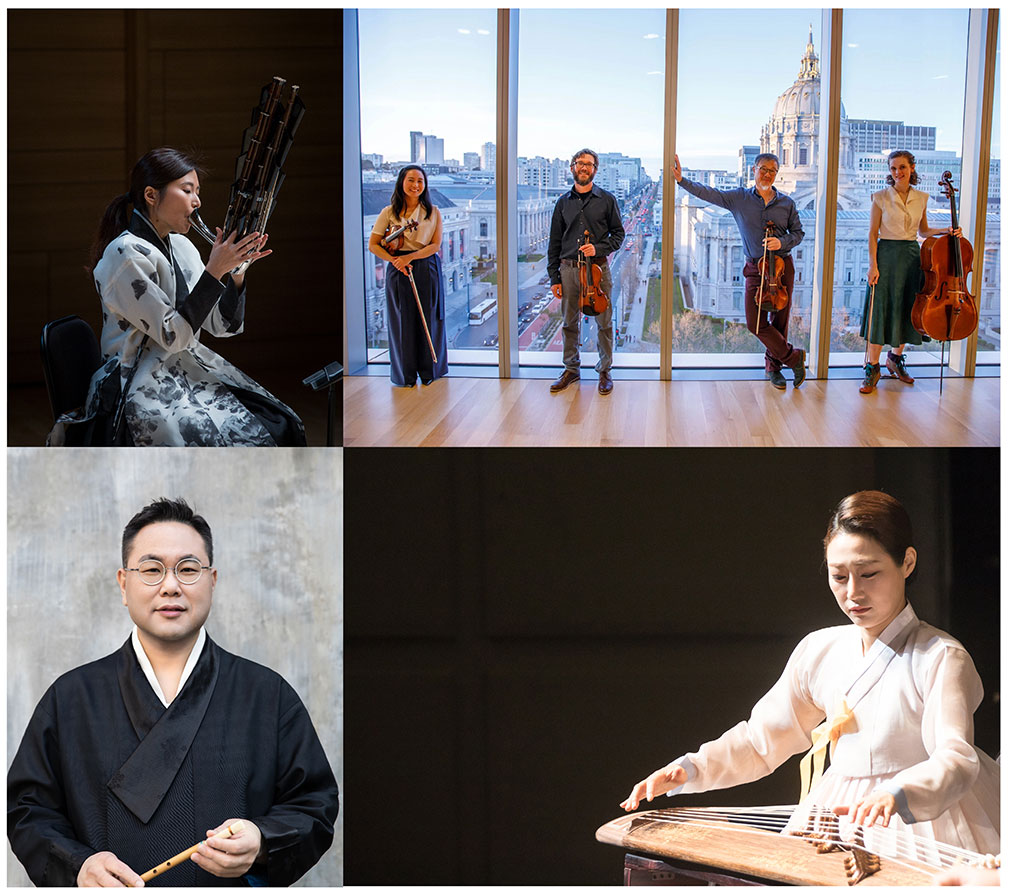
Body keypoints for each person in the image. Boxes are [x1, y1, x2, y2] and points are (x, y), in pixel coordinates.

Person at [621, 490, 999, 862]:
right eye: (839, 576)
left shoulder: (940, 656)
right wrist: (690, 769)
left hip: (919, 814)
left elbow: (956, 757)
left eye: (869, 573)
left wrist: (900, 793)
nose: (854, 592)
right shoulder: (820, 651)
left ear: (908, 563)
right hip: (836, 814)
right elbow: (761, 740)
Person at [8, 498, 339, 886]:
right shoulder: (71, 698)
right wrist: (78, 866)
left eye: (188, 569)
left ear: (212, 581)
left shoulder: (267, 695)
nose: (170, 586)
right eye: (151, 569)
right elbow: (28, 810)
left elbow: (314, 805)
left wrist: (262, 841)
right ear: (123, 584)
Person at [57, 147, 306, 446]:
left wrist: (236, 273)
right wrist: (214, 272)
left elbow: (220, 326)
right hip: (132, 382)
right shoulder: (124, 254)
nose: (197, 201)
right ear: (151, 195)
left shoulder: (183, 247)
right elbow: (172, 335)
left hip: (181, 371)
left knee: (279, 422)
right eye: (187, 190)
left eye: (197, 191)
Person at [671, 153, 806, 390]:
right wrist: (682, 181)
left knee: (779, 320)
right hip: (755, 267)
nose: (767, 174)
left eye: (772, 171)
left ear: (777, 174)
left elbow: (798, 234)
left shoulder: (787, 203)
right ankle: (794, 358)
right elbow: (710, 193)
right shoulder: (739, 198)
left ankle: (774, 368)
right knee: (756, 324)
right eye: (763, 169)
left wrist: (781, 243)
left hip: (782, 267)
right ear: (753, 169)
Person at [860, 150, 960, 394]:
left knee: (908, 307)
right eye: (893, 168)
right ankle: (872, 367)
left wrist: (946, 230)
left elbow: (923, 231)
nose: (897, 173)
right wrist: (873, 265)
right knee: (880, 309)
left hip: (911, 255)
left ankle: (895, 359)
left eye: (902, 167)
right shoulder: (880, 197)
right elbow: (873, 234)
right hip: (886, 255)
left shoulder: (922, 198)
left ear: (912, 168)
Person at [547, 149, 626, 396]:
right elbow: (554, 242)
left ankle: (604, 371)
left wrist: (598, 247)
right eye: (580, 163)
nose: (584, 167)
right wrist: (554, 277)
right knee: (569, 322)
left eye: (589, 164)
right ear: (572, 168)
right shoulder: (562, 203)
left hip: (598, 269)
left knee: (603, 321)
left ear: (595, 170)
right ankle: (571, 369)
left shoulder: (607, 200)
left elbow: (619, 235)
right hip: (569, 270)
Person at [368, 165, 449, 387]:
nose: (415, 185)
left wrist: (409, 258)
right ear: (401, 182)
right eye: (411, 180)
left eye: (420, 181)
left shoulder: (433, 211)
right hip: (398, 267)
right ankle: (405, 375)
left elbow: (435, 245)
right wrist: (396, 261)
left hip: (425, 265)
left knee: (430, 317)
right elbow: (374, 245)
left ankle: (430, 371)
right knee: (401, 319)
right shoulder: (388, 212)